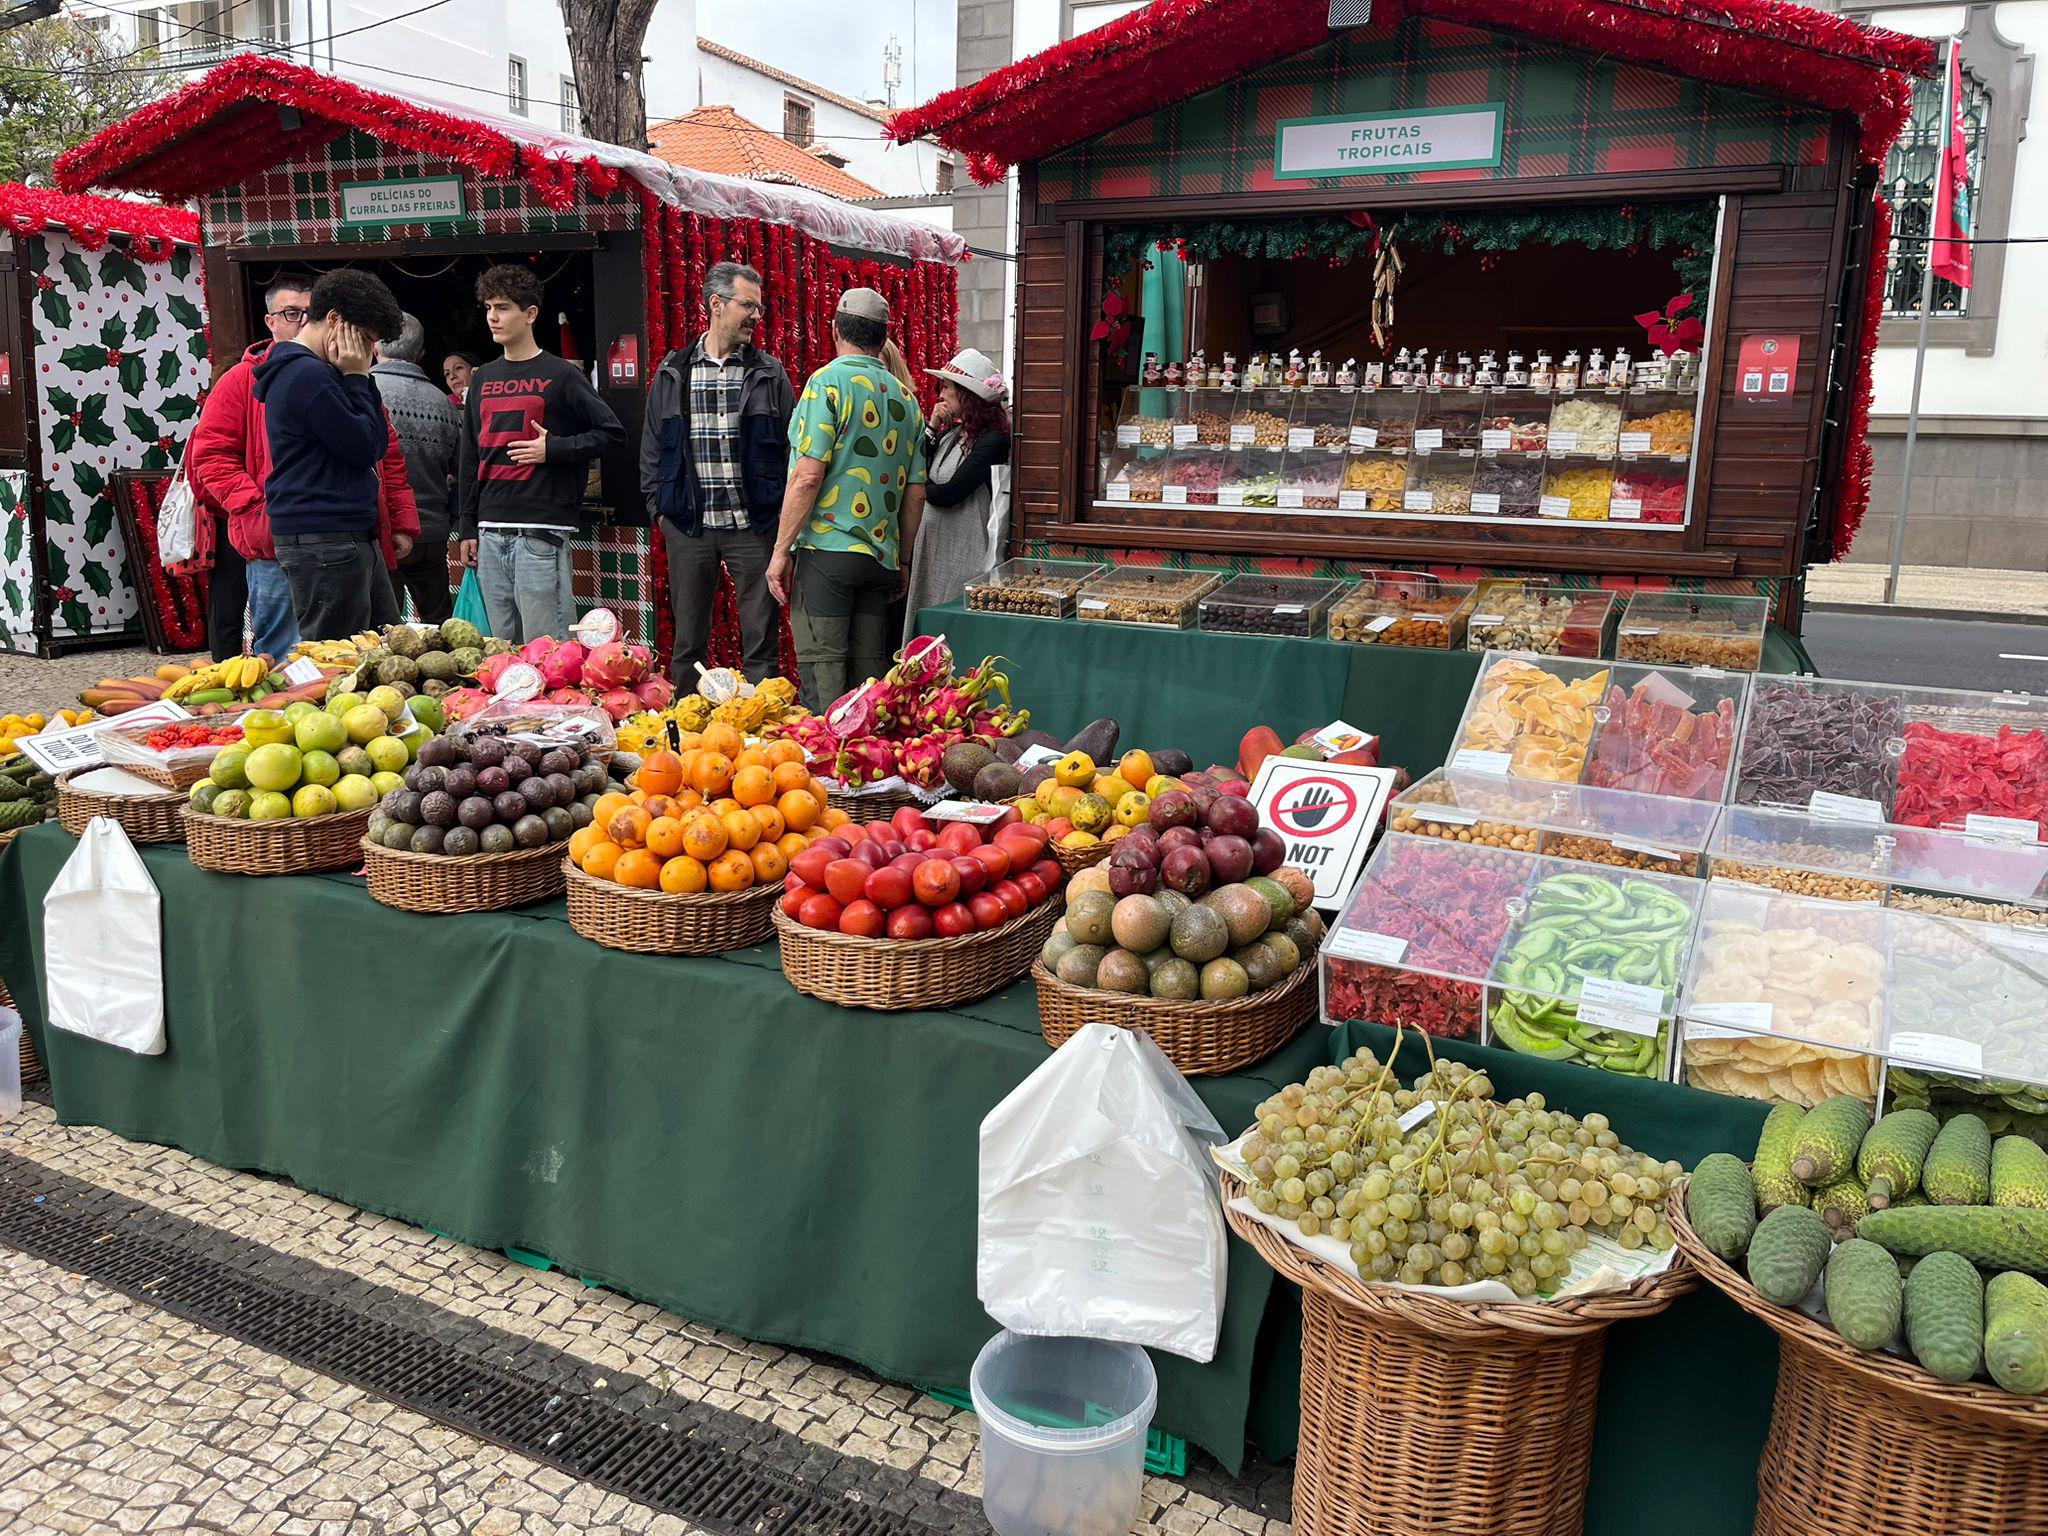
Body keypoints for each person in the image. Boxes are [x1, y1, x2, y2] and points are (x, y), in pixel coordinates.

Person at [766, 289, 927, 709]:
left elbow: (806, 477)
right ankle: (869, 772)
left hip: (828, 555)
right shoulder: (907, 400)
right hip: (879, 560)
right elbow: (916, 494)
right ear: (883, 337)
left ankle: (827, 771)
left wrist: (780, 551)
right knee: (867, 683)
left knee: (826, 683)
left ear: (835, 329)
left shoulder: (826, 383)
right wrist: (903, 561)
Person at [640, 259, 793, 687]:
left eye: (759, 308)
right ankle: (687, 720)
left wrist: (780, 515)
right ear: (716, 304)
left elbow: (789, 448)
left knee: (761, 637)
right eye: (748, 306)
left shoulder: (768, 373)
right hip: (689, 524)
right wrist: (660, 511)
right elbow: (652, 445)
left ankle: (763, 718)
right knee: (688, 637)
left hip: (754, 523)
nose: (756, 316)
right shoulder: (675, 371)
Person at [455, 264, 626, 644]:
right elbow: (470, 454)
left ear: (530, 313)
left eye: (503, 307)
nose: (493, 317)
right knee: (495, 653)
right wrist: (467, 526)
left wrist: (555, 448)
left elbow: (613, 434)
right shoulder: (481, 377)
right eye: (487, 308)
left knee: (546, 650)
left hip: (541, 531)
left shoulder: (562, 374)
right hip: (488, 531)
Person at [253, 268, 405, 640]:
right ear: (335, 320)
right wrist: (357, 377)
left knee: (383, 651)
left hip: (340, 536)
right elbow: (365, 447)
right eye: (367, 339)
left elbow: (375, 442)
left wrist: (355, 377)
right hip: (326, 540)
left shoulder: (319, 371)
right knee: (339, 663)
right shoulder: (308, 376)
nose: (369, 353)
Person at [186, 274, 314, 662]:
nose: (304, 323)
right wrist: (256, 507)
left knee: (337, 652)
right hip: (272, 542)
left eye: (313, 314)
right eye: (293, 313)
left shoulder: (337, 374)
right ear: (271, 321)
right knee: (276, 654)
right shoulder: (242, 379)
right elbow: (209, 455)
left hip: (335, 540)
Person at [900, 349, 1011, 646]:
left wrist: (919, 486)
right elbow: (920, 462)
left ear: (968, 395)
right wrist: (933, 427)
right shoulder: (954, 434)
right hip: (933, 550)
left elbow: (947, 493)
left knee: (952, 637)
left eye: (948, 387)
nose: (942, 393)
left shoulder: (994, 439)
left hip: (963, 552)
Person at [373, 313, 461, 624]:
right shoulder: (444, 403)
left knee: (386, 627)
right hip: (433, 533)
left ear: (374, 346)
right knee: (439, 622)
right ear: (421, 354)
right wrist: (449, 516)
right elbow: (461, 474)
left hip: (385, 529)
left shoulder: (364, 393)